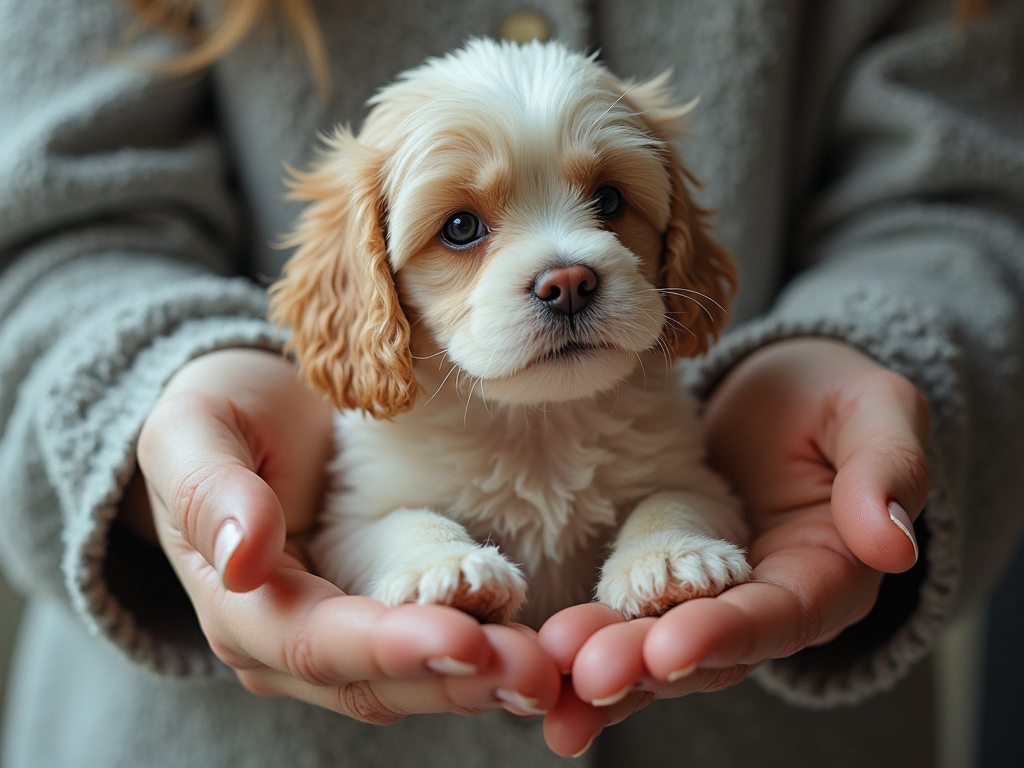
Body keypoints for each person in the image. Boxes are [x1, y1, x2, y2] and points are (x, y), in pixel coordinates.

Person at [0, 0, 1020, 765]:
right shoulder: (387, 446)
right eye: (460, 229)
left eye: (608, 200)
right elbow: (48, 220)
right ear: (376, 280)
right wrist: (170, 397)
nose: (562, 270)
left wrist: (671, 530)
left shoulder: (655, 415)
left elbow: (969, 188)